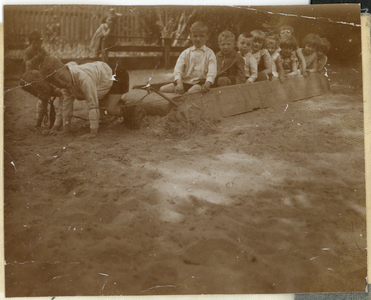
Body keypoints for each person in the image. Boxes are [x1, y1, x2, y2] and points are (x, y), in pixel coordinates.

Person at [39, 56, 129, 138]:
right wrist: (59, 129)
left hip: (117, 75)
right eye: (56, 82)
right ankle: (115, 103)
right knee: (103, 109)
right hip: (101, 79)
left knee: (110, 109)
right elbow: (65, 106)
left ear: (66, 69)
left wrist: (93, 132)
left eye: (61, 77)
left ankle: (131, 111)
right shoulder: (65, 85)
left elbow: (93, 104)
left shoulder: (83, 79)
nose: (61, 82)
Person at [159, 21, 217, 94]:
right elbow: (178, 70)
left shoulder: (210, 53)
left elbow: (212, 72)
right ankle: (177, 96)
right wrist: (179, 84)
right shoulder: (185, 53)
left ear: (207, 37)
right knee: (162, 89)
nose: (198, 39)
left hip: (199, 84)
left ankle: (182, 98)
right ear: (190, 37)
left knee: (191, 92)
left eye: (201, 36)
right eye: (195, 36)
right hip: (184, 83)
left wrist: (207, 84)